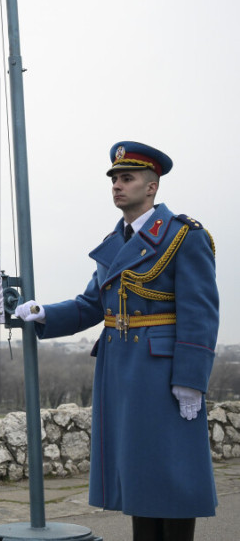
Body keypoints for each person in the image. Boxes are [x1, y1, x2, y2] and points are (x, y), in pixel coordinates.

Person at [16, 141, 218, 541]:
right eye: (114, 179)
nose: (117, 185)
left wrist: (191, 379)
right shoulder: (116, 242)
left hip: (163, 372)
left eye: (127, 178)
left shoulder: (183, 236)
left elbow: (201, 312)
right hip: (120, 369)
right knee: (138, 472)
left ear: (151, 186)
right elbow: (92, 305)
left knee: (173, 471)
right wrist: (44, 314)